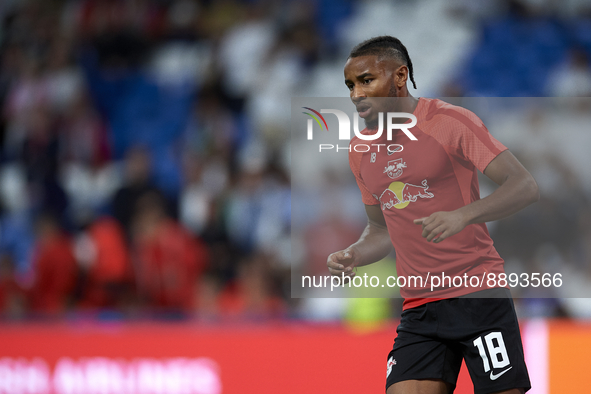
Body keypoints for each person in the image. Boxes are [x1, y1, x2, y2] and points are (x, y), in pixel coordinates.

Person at [327, 36, 538, 394]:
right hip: (420, 308)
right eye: (350, 85)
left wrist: (463, 216)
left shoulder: (449, 121)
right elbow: (379, 229)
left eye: (366, 81)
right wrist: (355, 253)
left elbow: (524, 185)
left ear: (399, 76)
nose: (356, 94)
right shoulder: (360, 149)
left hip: (478, 294)